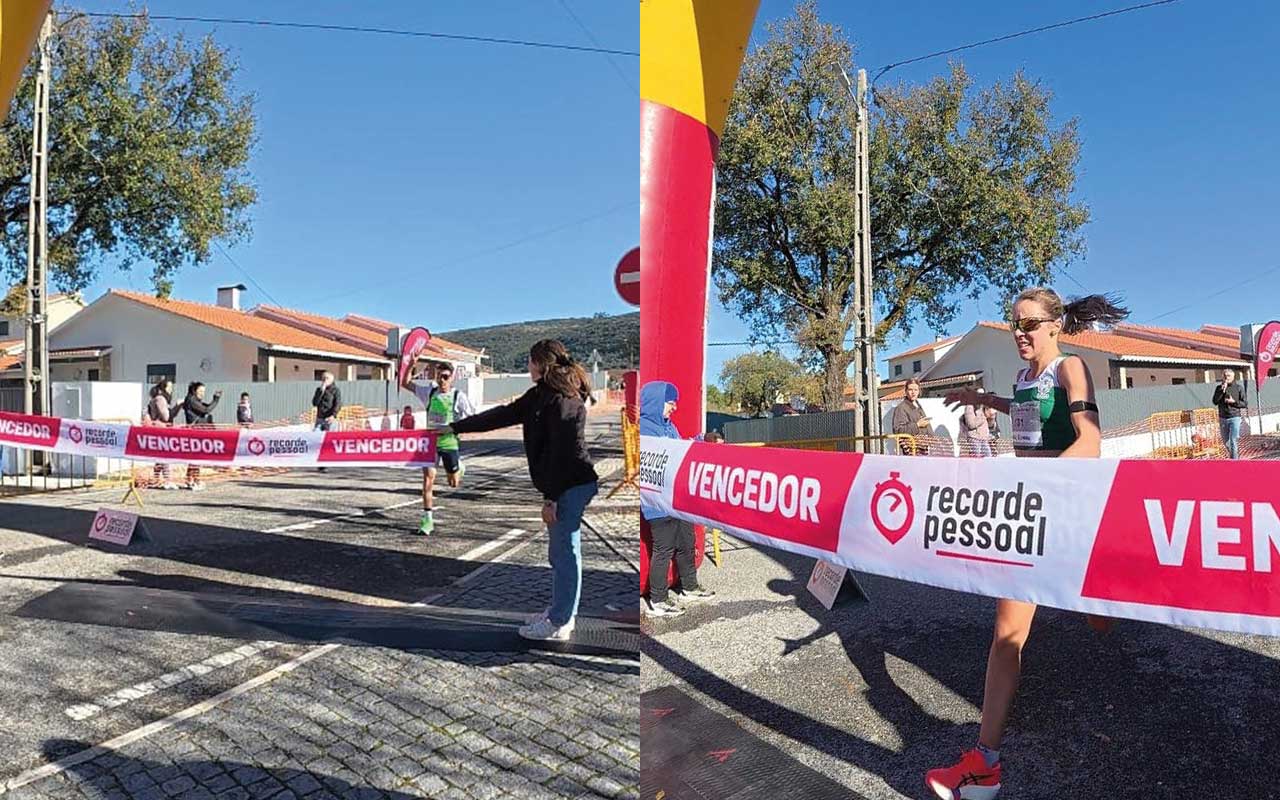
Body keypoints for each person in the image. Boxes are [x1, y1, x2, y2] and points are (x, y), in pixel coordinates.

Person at [924, 288, 1127, 800]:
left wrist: (1041, 484)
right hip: (1030, 520)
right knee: (1006, 636)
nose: (1020, 332)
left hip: (1068, 514)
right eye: (1015, 323)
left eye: (1030, 323)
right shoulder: (1021, 377)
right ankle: (985, 764)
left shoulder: (1071, 368)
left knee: (1099, 615)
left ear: (1055, 325)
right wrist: (983, 401)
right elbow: (1024, 409)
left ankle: (1108, 603)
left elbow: (1089, 441)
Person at [446, 340, 599, 641]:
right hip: (565, 482)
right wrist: (456, 427)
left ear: (541, 363)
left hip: (571, 483)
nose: (527, 366)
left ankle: (559, 622)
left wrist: (551, 498)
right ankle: (560, 612)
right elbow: (501, 415)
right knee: (561, 553)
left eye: (530, 361)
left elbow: (563, 452)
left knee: (564, 554)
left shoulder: (564, 398)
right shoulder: (540, 395)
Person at [640, 381, 716, 618]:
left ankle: (689, 587)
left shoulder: (669, 427)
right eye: (670, 403)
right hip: (658, 503)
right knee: (663, 550)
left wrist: (702, 439)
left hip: (678, 500)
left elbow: (681, 449)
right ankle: (658, 600)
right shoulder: (644, 429)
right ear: (656, 402)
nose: (674, 407)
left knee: (686, 543)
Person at [410, 365, 476, 535]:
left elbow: (473, 418)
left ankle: (459, 467)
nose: (442, 380)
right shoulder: (430, 392)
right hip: (430, 443)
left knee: (453, 483)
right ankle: (427, 520)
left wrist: (455, 427)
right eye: (439, 376)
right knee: (428, 479)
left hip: (449, 443)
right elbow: (405, 383)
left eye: (445, 376)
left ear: (452, 378)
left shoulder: (458, 396)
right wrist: (410, 364)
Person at [181, 381, 222, 491]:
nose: (202, 394)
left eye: (204, 391)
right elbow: (206, 410)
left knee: (194, 457)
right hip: (195, 432)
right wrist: (216, 399)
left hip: (196, 431)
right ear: (194, 391)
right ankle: (195, 480)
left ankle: (190, 479)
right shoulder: (192, 400)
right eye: (200, 391)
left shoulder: (193, 400)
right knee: (196, 457)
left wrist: (213, 400)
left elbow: (206, 407)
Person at [145, 378, 179, 490]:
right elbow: (166, 417)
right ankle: (167, 480)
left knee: (160, 456)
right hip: (161, 429)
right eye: (169, 387)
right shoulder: (160, 399)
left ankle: (155, 479)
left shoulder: (159, 399)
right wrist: (177, 405)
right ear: (163, 388)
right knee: (164, 455)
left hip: (159, 428)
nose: (171, 390)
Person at [1212, 368, 1247, 459]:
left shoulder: (1238, 388)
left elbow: (1244, 403)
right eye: (1224, 376)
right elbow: (1215, 401)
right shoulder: (1218, 388)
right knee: (1226, 442)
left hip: (1234, 418)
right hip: (1223, 418)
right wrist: (1221, 391)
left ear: (1233, 377)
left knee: (1233, 441)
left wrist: (1233, 402)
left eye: (1228, 376)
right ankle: (1235, 457)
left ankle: (1234, 463)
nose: (1226, 377)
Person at [892, 378, 931, 454]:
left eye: (916, 390)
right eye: (910, 389)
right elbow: (898, 430)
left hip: (923, 448)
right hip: (911, 449)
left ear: (919, 391)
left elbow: (927, 427)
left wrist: (932, 439)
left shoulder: (918, 406)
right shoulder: (901, 408)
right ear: (906, 391)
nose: (913, 392)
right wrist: (917, 425)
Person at [312, 372, 341, 472]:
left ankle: (325, 463)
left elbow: (338, 404)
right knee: (317, 439)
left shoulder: (335, 390)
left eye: (327, 378)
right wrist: (321, 391)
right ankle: (319, 462)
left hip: (329, 419)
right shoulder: (319, 390)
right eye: (323, 378)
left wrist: (333, 415)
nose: (324, 380)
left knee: (327, 441)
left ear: (332, 380)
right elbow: (315, 403)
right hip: (320, 418)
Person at [959, 389, 993, 457]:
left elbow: (990, 425)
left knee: (989, 459)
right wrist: (984, 417)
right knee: (976, 461)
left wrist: (992, 418)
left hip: (984, 439)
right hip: (975, 439)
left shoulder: (983, 407)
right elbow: (971, 424)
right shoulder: (969, 407)